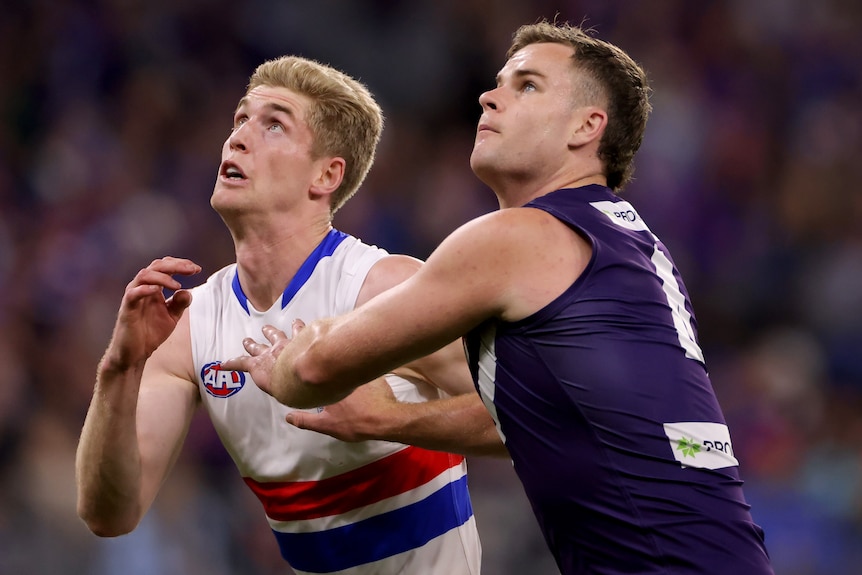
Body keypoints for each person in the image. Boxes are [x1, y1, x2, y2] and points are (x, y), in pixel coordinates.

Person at [222, 21, 776, 575]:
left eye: (527, 85)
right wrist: (392, 420)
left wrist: (288, 356)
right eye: (498, 82)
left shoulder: (518, 238)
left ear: (587, 127)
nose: (489, 96)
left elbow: (318, 368)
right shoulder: (625, 243)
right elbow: (552, 419)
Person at [75, 55, 502, 575]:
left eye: (273, 124)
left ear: (326, 175)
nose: (237, 139)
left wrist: (390, 420)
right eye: (239, 121)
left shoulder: (384, 290)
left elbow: (534, 420)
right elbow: (110, 514)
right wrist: (118, 370)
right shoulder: (190, 325)